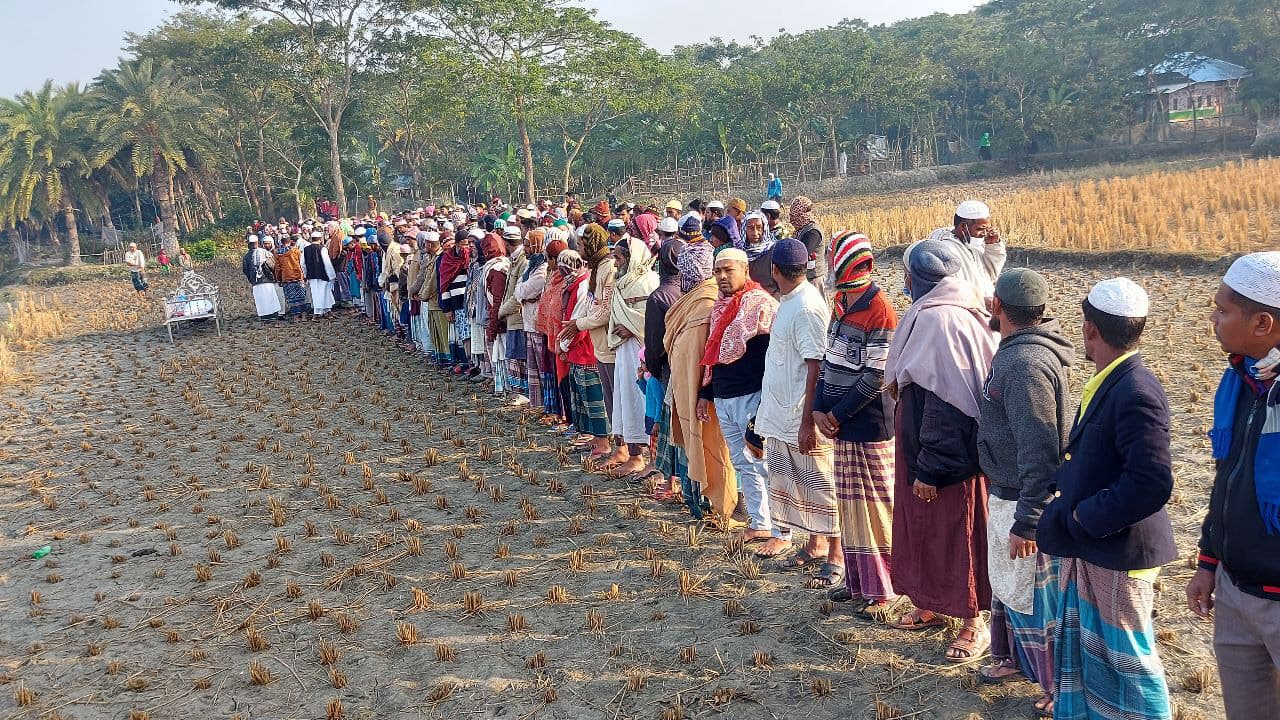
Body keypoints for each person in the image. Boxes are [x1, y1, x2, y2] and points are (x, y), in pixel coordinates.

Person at [1038, 277, 1177, 720]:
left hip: (1119, 550)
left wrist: (1083, 518)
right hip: (1100, 548)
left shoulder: (1136, 390)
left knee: (1131, 668)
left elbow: (1152, 481)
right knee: (1096, 660)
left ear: (1090, 328)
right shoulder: (1112, 380)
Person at [885, 239, 997, 664]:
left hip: (947, 458)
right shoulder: (946, 309)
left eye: (908, 276)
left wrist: (932, 468)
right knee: (925, 530)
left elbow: (946, 404)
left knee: (957, 534)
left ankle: (973, 624)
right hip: (927, 450)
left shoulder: (941, 321)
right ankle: (929, 602)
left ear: (918, 279)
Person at [976, 268, 1075, 717]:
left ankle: (1057, 690)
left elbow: (1039, 449)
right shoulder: (1018, 353)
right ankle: (1016, 662)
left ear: (998, 306)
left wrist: (1028, 519)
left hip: (1023, 497)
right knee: (1014, 588)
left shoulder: (1023, 365)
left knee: (1035, 595)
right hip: (1011, 491)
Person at [1187, 251, 1280, 720]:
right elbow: (1227, 482)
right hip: (1236, 590)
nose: (1213, 319)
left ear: (1262, 323)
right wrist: (1209, 562)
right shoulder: (1245, 379)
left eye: (1223, 311)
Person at [813, 232, 898, 613]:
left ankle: (882, 589)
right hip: (841, 422)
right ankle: (858, 579)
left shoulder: (880, 309)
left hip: (870, 423)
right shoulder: (841, 302)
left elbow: (876, 377)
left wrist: (834, 413)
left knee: (877, 506)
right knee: (850, 505)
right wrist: (818, 407)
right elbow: (829, 361)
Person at [754, 238, 838, 586]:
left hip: (800, 416)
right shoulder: (789, 301)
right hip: (783, 413)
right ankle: (815, 543)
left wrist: (808, 422)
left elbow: (816, 366)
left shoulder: (805, 306)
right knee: (798, 484)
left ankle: (836, 554)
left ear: (775, 270)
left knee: (821, 484)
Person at [697, 248, 782, 550]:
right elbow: (713, 355)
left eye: (728, 270)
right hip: (724, 395)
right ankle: (760, 524)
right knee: (742, 464)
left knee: (766, 464)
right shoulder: (718, 308)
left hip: (753, 396)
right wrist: (705, 395)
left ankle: (780, 532)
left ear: (746, 270)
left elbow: (771, 362)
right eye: (717, 270)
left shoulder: (762, 306)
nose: (721, 276)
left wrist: (763, 406)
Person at [664, 240, 732, 518]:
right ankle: (698, 504)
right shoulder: (693, 301)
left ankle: (714, 506)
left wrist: (698, 392)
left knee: (711, 446)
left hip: (702, 394)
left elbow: (697, 353)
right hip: (687, 389)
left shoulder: (706, 303)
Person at [559, 224, 617, 458]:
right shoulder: (596, 268)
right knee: (589, 397)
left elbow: (603, 310)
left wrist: (578, 324)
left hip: (598, 344)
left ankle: (607, 445)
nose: (579, 248)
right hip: (596, 342)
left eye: (582, 244)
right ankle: (597, 439)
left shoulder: (608, 268)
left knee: (600, 399)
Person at [606, 229, 659, 478]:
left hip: (641, 348)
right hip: (624, 351)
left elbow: (653, 319)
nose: (616, 263)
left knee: (643, 401)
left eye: (619, 258)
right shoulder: (622, 281)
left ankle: (647, 459)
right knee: (626, 399)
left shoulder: (649, 282)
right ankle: (633, 453)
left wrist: (631, 328)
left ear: (631, 257)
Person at [645, 235, 687, 503]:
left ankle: (672, 481)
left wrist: (651, 368)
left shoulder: (659, 296)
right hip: (688, 367)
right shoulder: (690, 291)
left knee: (669, 425)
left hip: (668, 370)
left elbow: (653, 342)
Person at [928, 200, 1006, 300]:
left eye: (986, 229)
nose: (984, 233)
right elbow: (952, 291)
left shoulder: (975, 243)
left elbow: (991, 274)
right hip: (966, 309)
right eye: (980, 229)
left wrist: (993, 247)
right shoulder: (947, 251)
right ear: (963, 226)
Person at [515, 229, 550, 411]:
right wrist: (522, 293)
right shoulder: (531, 267)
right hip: (528, 321)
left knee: (542, 367)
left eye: (528, 245)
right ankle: (537, 403)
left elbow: (527, 290)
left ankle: (546, 404)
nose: (525, 248)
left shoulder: (543, 268)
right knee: (533, 367)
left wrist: (522, 293)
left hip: (537, 322)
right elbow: (518, 289)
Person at [789, 197, 826, 295]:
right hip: (804, 278)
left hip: (813, 279)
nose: (791, 219)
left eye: (793, 215)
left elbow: (803, 253)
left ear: (799, 214)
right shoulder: (801, 230)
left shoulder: (813, 232)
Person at [242, 236, 281, 320]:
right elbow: (273, 266)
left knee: (261, 300)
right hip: (267, 280)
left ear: (249, 244)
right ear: (258, 242)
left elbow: (245, 270)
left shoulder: (246, 256)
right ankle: (273, 316)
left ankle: (264, 317)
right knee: (271, 297)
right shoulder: (266, 252)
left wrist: (251, 279)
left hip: (256, 282)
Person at [303, 230, 337, 319]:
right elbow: (327, 263)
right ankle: (320, 312)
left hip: (311, 275)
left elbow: (302, 263)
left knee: (316, 293)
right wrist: (332, 275)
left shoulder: (305, 249)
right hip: (323, 274)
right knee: (325, 292)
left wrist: (305, 274)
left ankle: (324, 311)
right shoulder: (323, 248)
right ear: (320, 239)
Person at [742, 212, 777, 294]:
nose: (755, 233)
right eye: (750, 228)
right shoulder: (740, 253)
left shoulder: (773, 250)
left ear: (764, 229)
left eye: (759, 228)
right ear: (744, 230)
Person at [276, 234, 308, 319]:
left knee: (292, 297)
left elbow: (278, 268)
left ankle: (295, 317)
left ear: (281, 242)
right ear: (290, 241)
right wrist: (304, 275)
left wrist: (279, 279)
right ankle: (304, 316)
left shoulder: (278, 253)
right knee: (301, 296)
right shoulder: (296, 251)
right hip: (298, 276)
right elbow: (301, 263)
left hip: (286, 278)